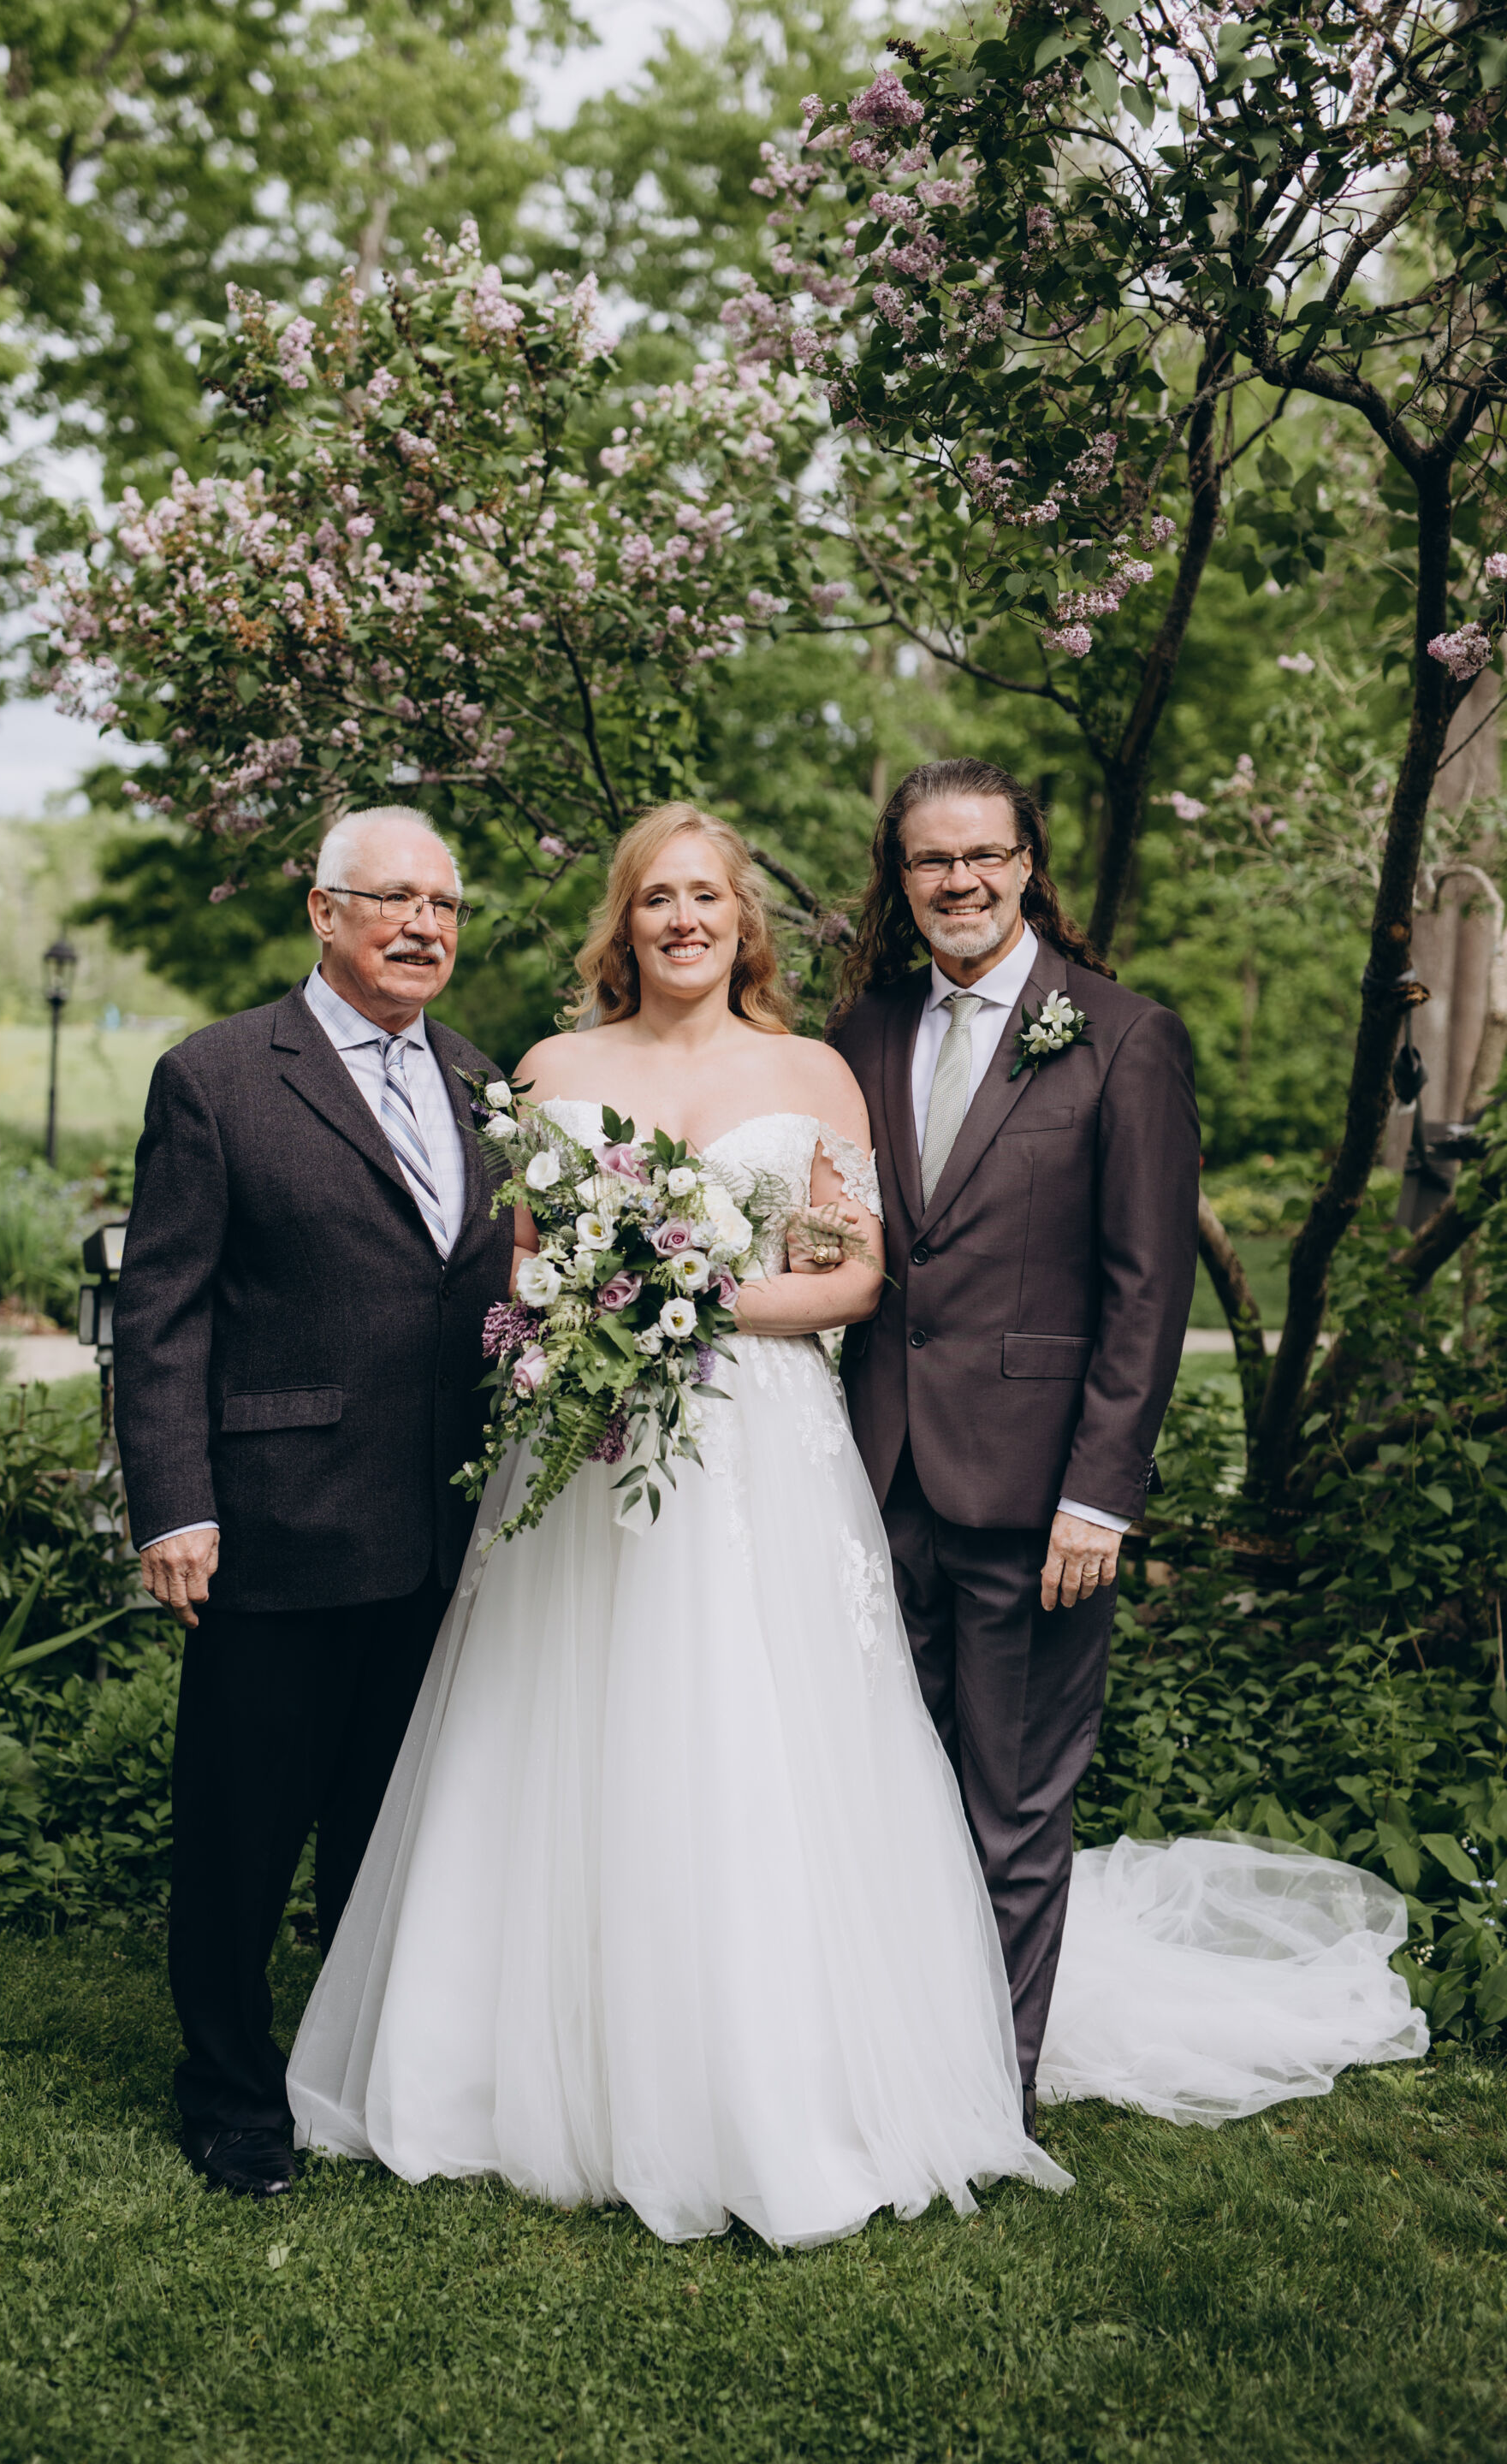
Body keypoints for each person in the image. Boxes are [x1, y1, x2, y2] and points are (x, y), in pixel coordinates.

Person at [286, 802, 1421, 2248]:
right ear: (623, 921)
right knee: (560, 1737)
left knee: (754, 1745)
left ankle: (778, 2078)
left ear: (742, 921)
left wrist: (689, 1299)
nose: (684, 920)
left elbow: (857, 1274)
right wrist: (591, 1307)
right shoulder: (554, 1070)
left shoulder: (817, 1070)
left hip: (756, 1446)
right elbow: (516, 1258)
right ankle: (524, 2069)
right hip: (592, 1452)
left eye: (708, 896)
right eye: (657, 898)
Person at [115, 804, 513, 2198]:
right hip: (276, 1522)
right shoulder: (218, 1075)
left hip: (442, 1530)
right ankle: (228, 2093)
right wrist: (174, 1507)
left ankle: (354, 2072)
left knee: (385, 1831)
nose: (423, 927)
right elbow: (159, 1313)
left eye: (444, 906)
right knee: (241, 1834)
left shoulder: (483, 1082)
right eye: (394, 899)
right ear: (324, 912)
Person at [827, 756, 1201, 2135]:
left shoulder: (1122, 1036)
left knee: (1015, 1810)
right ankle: (894, 2064)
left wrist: (1100, 1496)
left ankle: (994, 2095)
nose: (961, 882)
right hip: (876, 1483)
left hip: (1040, 1500)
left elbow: (1147, 1289)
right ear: (902, 878)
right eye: (933, 860)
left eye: (985, 855)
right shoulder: (864, 1032)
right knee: (891, 1797)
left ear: (1028, 864)